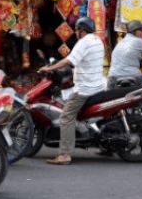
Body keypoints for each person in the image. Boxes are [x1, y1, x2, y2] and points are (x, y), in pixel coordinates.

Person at [41, 17, 106, 165]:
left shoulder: (84, 42)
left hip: (85, 89)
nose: (76, 33)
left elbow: (69, 60)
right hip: (98, 86)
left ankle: (65, 154)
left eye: (77, 30)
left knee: (66, 116)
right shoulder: (97, 41)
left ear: (82, 30)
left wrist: (50, 68)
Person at [108, 21, 142, 88]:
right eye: (141, 30)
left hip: (113, 77)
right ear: (135, 31)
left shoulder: (120, 43)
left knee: (109, 94)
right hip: (133, 76)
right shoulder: (139, 41)